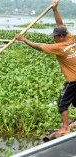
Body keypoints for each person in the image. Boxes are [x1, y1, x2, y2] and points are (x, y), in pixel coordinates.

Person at [15, 0, 76, 136]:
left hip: (72, 80)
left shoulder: (59, 48)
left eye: (55, 37)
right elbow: (60, 24)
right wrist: (55, 9)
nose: (53, 39)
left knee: (62, 103)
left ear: (61, 37)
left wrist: (24, 39)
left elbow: (38, 47)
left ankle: (65, 127)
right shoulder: (70, 39)